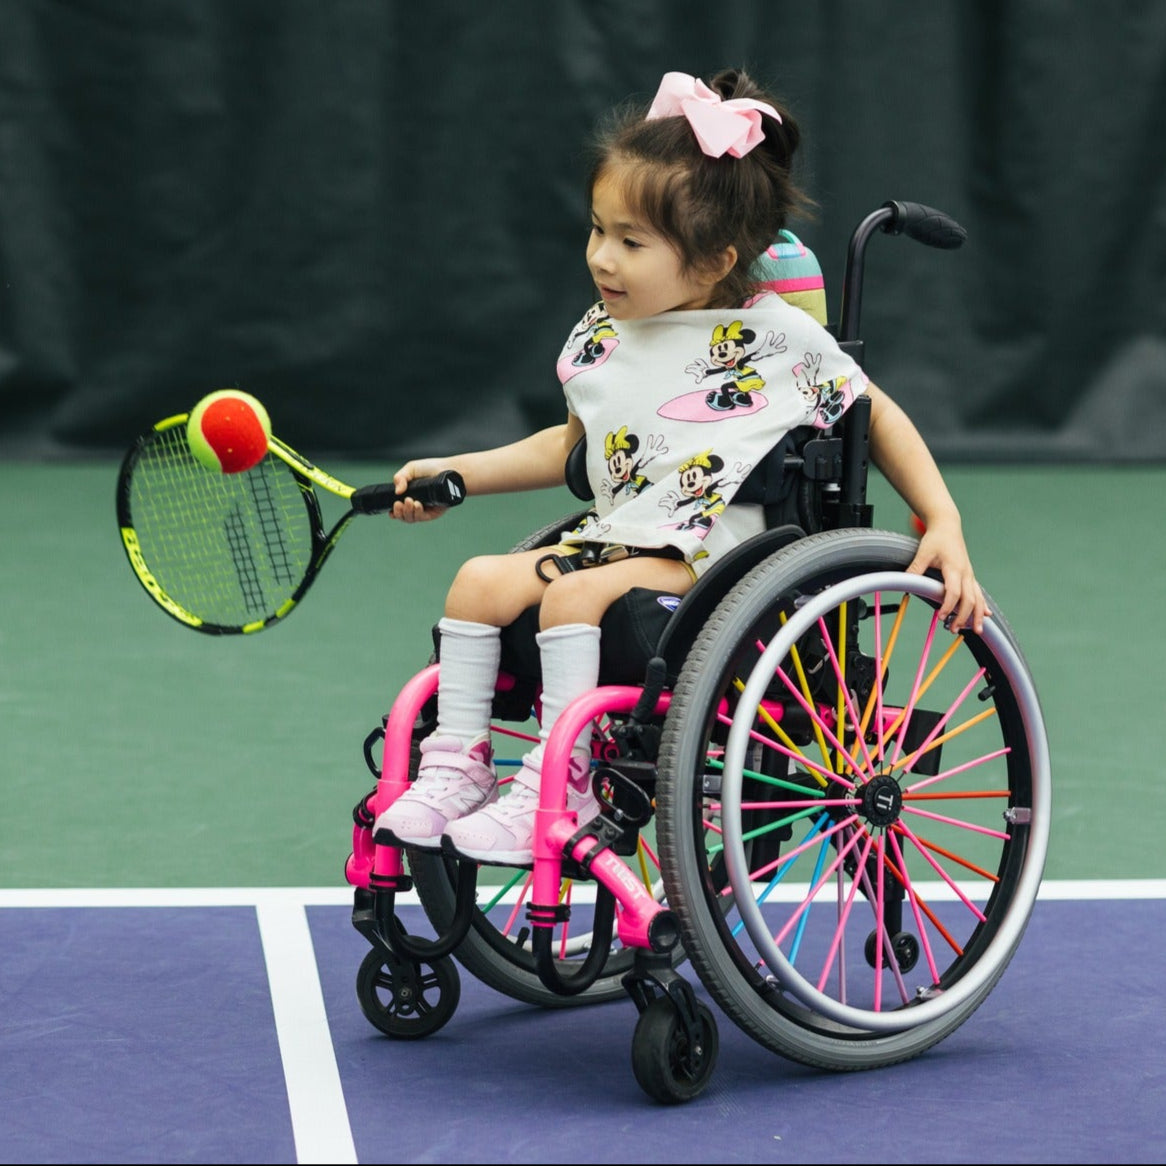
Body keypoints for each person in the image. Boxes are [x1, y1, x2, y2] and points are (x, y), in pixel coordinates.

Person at [374, 68, 988, 866]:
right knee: (478, 582)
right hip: (622, 538)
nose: (603, 257)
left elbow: (879, 416)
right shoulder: (606, 332)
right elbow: (572, 448)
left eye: (631, 242)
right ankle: (458, 767)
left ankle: (565, 787)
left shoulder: (776, 340)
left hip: (716, 558)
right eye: (598, 230)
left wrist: (942, 519)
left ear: (710, 262)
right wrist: (457, 471)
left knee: (577, 596)